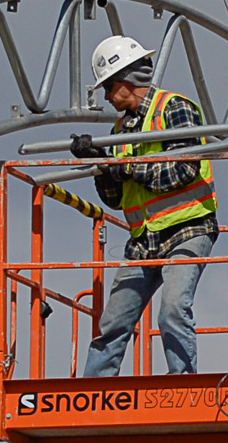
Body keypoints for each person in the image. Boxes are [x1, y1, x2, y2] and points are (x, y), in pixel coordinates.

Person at [67, 35, 219, 377]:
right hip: (144, 240)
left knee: (173, 309)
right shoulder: (119, 130)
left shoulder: (174, 108)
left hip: (188, 229)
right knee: (113, 322)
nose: (106, 96)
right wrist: (101, 164)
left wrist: (123, 167)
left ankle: (184, 386)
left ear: (125, 80)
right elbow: (115, 199)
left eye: (108, 87)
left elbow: (184, 168)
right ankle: (91, 395)